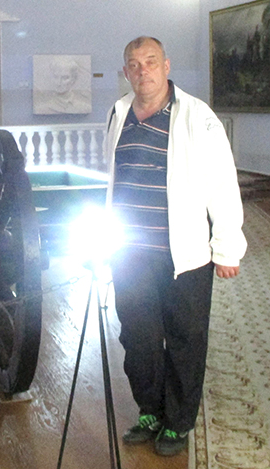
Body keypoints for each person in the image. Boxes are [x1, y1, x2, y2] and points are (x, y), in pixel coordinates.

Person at [104, 36, 247, 457]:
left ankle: (178, 422)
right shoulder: (118, 113)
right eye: (134, 64)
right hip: (130, 253)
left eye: (150, 61)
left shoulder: (197, 116)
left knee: (185, 339)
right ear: (126, 72)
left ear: (166, 66)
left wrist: (227, 247)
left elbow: (222, 182)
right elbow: (113, 177)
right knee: (138, 337)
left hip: (184, 254)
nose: (142, 70)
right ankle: (150, 410)